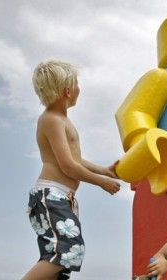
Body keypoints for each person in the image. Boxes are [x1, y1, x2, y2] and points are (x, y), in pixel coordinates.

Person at [22, 59, 121, 280]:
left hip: (61, 198)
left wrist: (105, 171)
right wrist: (101, 182)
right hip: (50, 196)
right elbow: (68, 166)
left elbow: (76, 160)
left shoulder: (62, 120)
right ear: (68, 90)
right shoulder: (51, 120)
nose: (79, 88)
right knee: (67, 251)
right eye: (77, 83)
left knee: (60, 263)